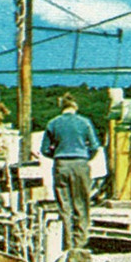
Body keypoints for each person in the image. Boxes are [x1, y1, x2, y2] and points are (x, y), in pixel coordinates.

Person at [40, 93, 101, 250]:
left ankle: (67, 243)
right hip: (80, 163)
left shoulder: (53, 123)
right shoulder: (85, 123)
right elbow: (95, 147)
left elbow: (44, 149)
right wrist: (86, 156)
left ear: (62, 106)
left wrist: (57, 154)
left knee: (64, 204)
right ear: (76, 106)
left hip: (61, 164)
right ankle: (80, 242)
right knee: (81, 203)